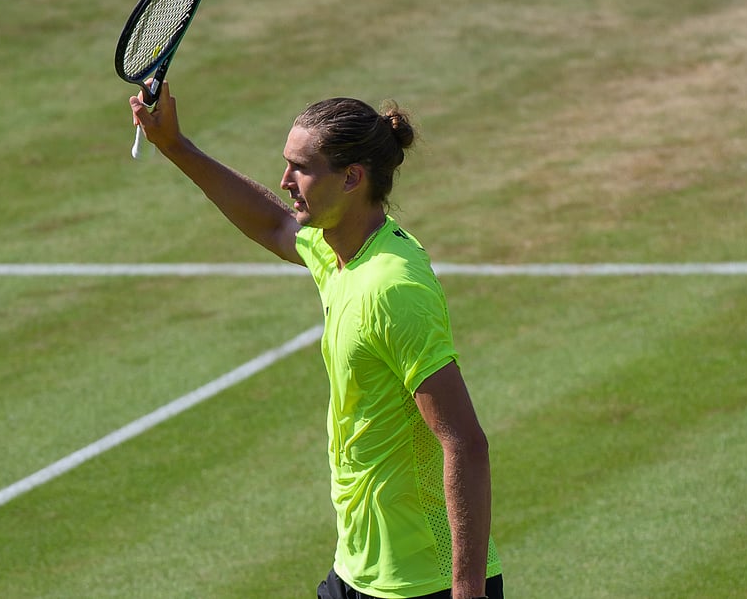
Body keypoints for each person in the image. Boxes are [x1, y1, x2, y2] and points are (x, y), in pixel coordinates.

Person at [129, 83, 503, 599]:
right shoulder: (339, 247)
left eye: (300, 168)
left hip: (424, 584)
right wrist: (176, 146)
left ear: (352, 177)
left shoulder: (392, 287)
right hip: (358, 570)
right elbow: (277, 225)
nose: (285, 181)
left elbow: (463, 440)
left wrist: (468, 592)